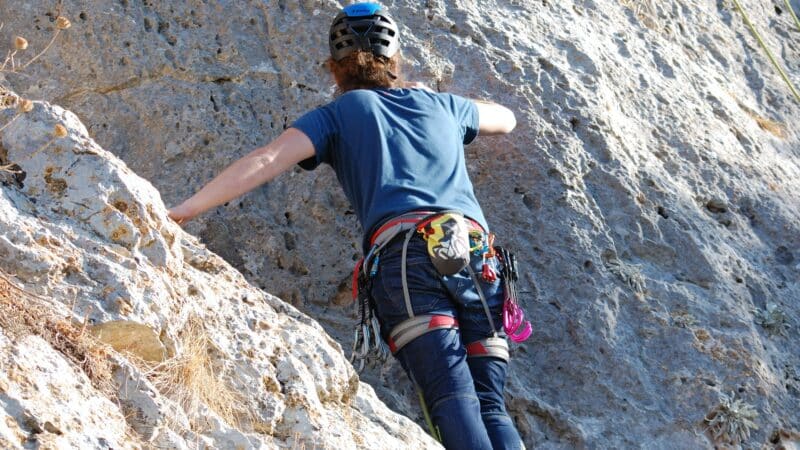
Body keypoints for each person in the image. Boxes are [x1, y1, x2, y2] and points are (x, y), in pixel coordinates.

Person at [169, 2, 522, 448]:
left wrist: (185, 209)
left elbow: (266, 160)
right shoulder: (443, 105)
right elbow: (506, 119)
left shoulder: (338, 114)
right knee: (490, 403)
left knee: (453, 398)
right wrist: (437, 99)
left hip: (407, 260)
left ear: (334, 68)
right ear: (395, 61)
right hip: (477, 256)